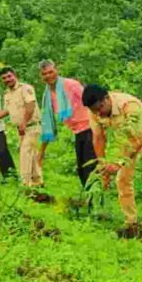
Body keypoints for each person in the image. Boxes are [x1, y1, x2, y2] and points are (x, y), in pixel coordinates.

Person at [82, 84, 142, 239]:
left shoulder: (129, 106)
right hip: (125, 139)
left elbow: (135, 140)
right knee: (122, 178)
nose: (99, 114)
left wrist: (118, 162)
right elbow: (98, 137)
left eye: (100, 108)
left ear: (106, 99)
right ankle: (131, 223)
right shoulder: (95, 111)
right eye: (94, 111)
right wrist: (102, 164)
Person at [37, 60, 96, 188]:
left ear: (56, 70)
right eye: (44, 74)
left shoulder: (71, 85)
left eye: (51, 72)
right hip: (77, 132)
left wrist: (101, 124)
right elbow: (48, 124)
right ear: (41, 76)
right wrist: (41, 151)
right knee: (81, 170)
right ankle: (90, 198)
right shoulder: (47, 95)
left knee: (90, 168)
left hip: (90, 128)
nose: (48, 76)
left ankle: (96, 201)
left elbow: (90, 101)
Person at [0, 67, 43, 187]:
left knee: (25, 155)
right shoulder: (7, 94)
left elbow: (30, 105)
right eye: (4, 78)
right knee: (32, 155)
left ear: (15, 75)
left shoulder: (25, 88)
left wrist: (24, 123)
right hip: (21, 129)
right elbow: (5, 111)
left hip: (31, 127)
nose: (7, 79)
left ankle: (25, 185)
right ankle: (38, 182)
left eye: (9, 76)